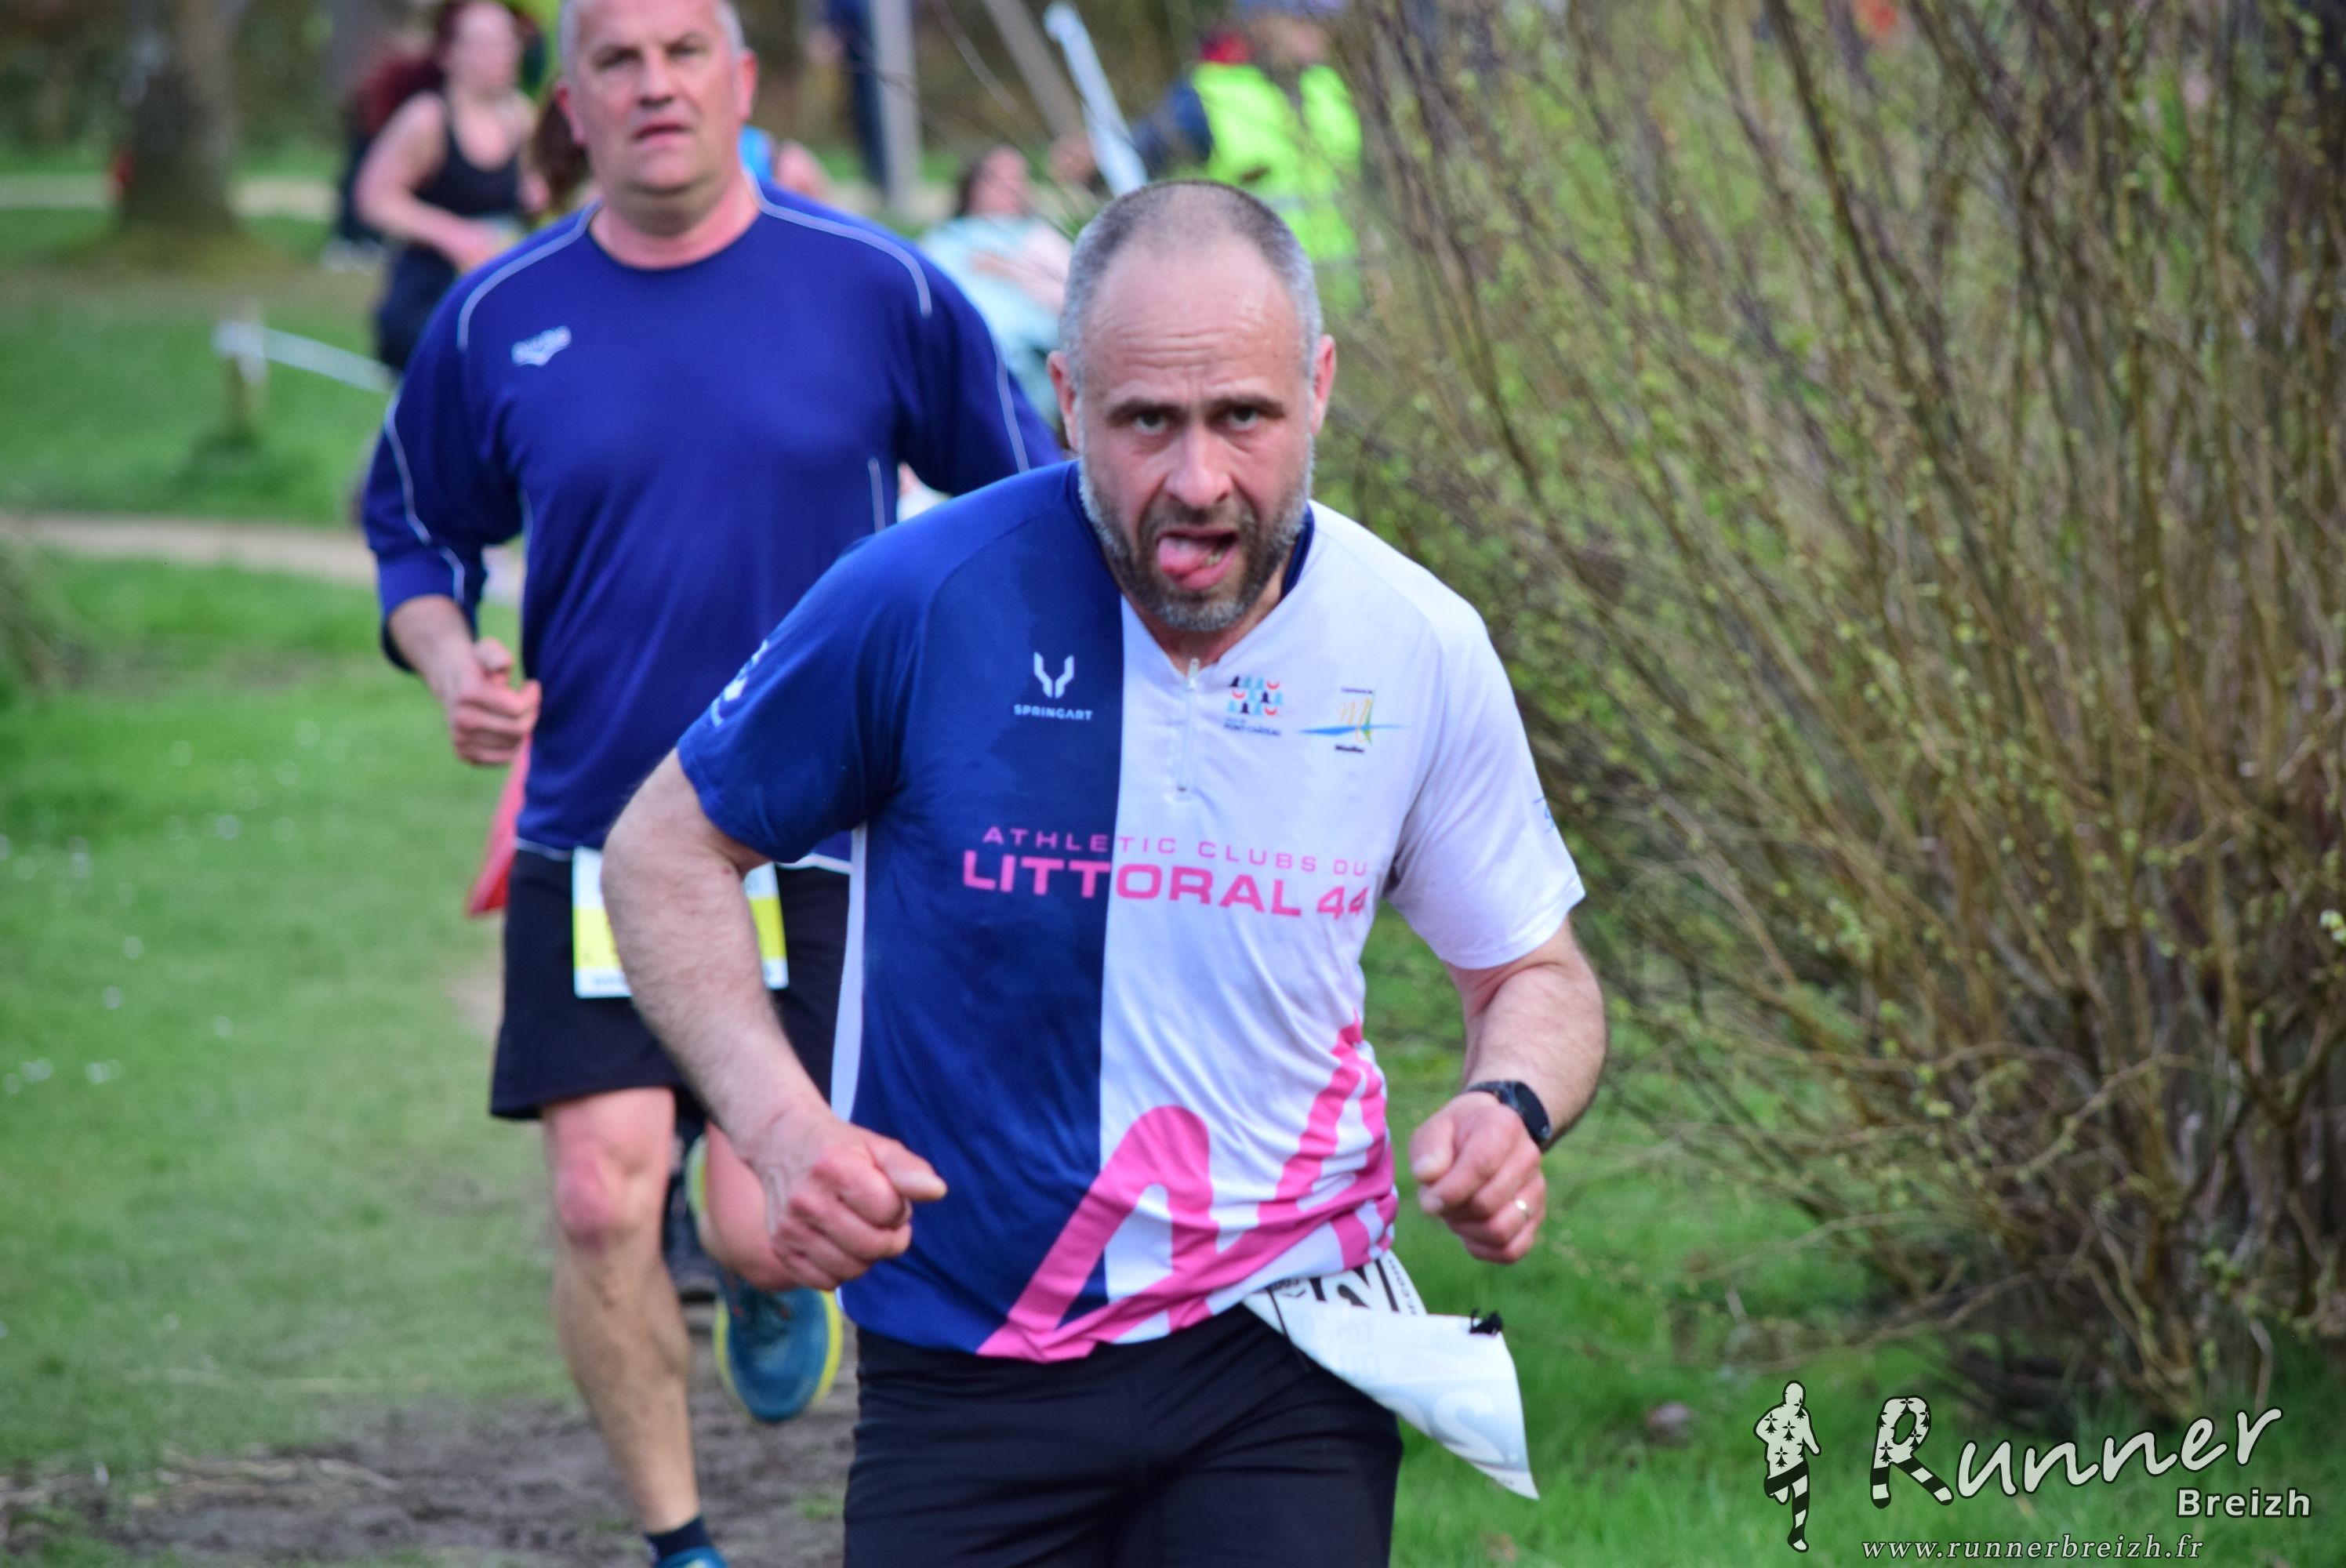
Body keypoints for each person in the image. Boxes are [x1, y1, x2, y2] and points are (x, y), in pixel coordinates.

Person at [601, 179, 1607, 1565]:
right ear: (1069, 402)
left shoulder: (1416, 642)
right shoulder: (921, 597)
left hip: (1286, 1344)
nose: (1197, 480)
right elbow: (664, 849)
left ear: (1318, 388)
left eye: (1243, 417)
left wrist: (1509, 1104)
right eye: (1146, 422)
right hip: (968, 1358)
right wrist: (781, 1132)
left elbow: (1534, 971)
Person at [357, 0, 1055, 1563]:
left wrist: (994, 712)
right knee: (599, 1199)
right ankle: (680, 1546)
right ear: (572, 102)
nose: (655, 84)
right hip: (593, 832)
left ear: (740, 81)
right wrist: (450, 658)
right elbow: (412, 527)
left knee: (766, 1216)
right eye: (617, 58)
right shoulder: (500, 315)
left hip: (812, 842)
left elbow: (1019, 500)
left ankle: (750, 1273)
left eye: (686, 51)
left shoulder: (877, 287)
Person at [1055, 0, 1362, 267]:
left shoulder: (1328, 85)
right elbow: (1135, 158)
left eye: (1323, 19)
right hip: (1257, 300)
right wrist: (1097, 162)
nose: (1320, 30)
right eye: (1302, 19)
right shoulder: (1206, 97)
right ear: (1263, 22)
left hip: (1350, 297)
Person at [356, 0, 546, 372]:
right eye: (485, 44)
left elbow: (534, 190)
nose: (501, 54)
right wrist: (451, 233)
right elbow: (373, 198)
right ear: (449, 54)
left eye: (508, 41)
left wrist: (538, 194)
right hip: (430, 299)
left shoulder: (520, 116)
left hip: (498, 293)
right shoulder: (427, 119)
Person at [921, 147, 1073, 420]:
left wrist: (1010, 269)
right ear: (972, 187)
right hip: (951, 353)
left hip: (1023, 357)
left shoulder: (1042, 239)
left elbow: (1073, 300)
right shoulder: (941, 239)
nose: (1009, 187)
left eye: (1017, 178)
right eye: (997, 179)